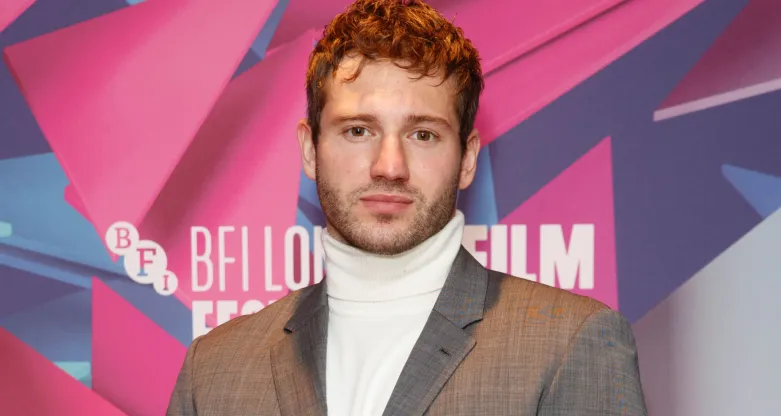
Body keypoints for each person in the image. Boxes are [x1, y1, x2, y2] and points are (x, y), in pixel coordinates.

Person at [167, 0, 647, 414]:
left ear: (467, 159)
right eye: (358, 130)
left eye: (423, 134)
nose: (389, 166)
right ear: (311, 150)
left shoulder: (570, 345)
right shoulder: (213, 370)